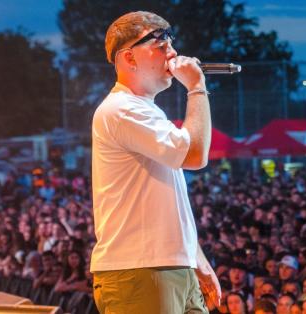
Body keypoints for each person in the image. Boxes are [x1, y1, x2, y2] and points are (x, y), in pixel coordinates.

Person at [90, 11, 220, 313]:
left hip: (166, 265)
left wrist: (193, 256)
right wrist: (197, 87)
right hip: (141, 269)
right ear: (129, 58)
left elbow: (165, 199)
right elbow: (195, 155)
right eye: (160, 44)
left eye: (171, 43)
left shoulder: (144, 111)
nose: (172, 53)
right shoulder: (122, 109)